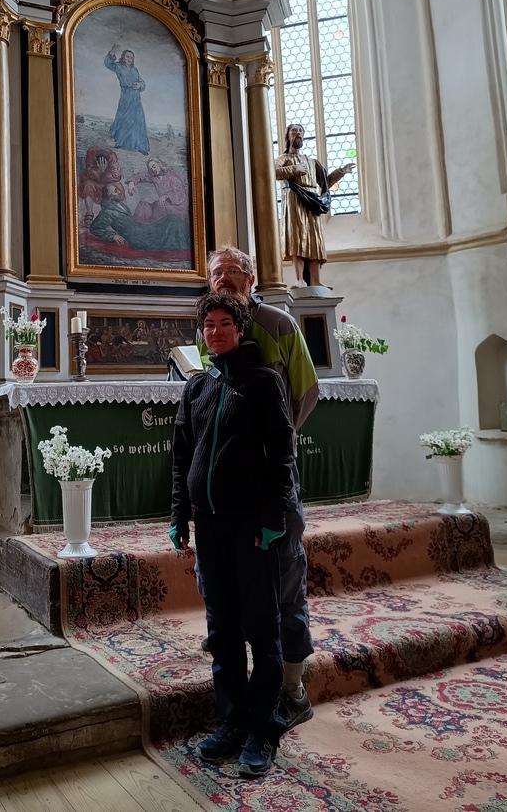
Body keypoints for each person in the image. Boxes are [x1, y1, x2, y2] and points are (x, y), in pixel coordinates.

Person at [171, 292, 294, 778]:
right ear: (201, 333)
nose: (216, 331)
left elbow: (282, 453)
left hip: (252, 526)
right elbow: (182, 454)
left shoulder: (263, 381)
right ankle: (232, 722)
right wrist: (180, 514)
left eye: (225, 323)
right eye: (209, 325)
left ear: (240, 330)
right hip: (210, 525)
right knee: (221, 629)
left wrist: (274, 517)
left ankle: (264, 727)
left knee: (261, 627)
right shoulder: (197, 387)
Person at [201, 245, 319, 732]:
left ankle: (292, 688)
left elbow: (306, 391)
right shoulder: (211, 328)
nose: (225, 278)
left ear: (250, 279)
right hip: (228, 492)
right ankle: (236, 693)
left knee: (284, 582)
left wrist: (273, 443)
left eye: (235, 271)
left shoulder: (278, 324)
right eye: (217, 272)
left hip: (271, 483)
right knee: (225, 585)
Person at [274, 124, 355, 289]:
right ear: (288, 136)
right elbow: (272, 171)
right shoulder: (284, 158)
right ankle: (299, 280)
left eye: (300, 132)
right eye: (294, 131)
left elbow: (326, 183)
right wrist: (294, 169)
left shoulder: (312, 162)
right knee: (297, 238)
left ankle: (315, 280)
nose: (298, 134)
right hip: (294, 198)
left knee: (314, 240)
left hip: (313, 199)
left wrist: (341, 171)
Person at [89, 182, 191, 252]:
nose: (119, 191)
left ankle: (191, 244)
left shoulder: (120, 205)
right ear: (109, 196)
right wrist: (112, 236)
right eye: (115, 191)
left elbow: (129, 222)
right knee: (172, 221)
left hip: (141, 230)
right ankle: (189, 247)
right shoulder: (107, 211)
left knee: (173, 218)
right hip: (138, 238)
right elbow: (95, 228)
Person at [104, 45, 149, 154]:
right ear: (123, 57)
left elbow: (142, 81)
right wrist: (112, 52)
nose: (129, 59)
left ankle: (142, 147)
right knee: (124, 118)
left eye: (131, 57)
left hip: (136, 97)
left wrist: (140, 85)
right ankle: (120, 142)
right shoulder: (119, 67)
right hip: (125, 95)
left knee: (138, 120)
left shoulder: (135, 70)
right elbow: (108, 64)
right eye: (127, 57)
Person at [126, 156, 189, 223]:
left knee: (159, 208)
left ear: (159, 164)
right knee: (144, 203)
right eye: (151, 169)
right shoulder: (155, 177)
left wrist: (166, 196)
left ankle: (151, 226)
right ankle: (138, 225)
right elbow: (142, 175)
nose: (153, 170)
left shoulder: (172, 177)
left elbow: (181, 195)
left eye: (154, 166)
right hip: (163, 204)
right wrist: (132, 182)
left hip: (176, 207)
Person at [78, 146, 122, 227]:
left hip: (108, 181)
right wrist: (99, 171)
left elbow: (117, 176)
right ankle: (89, 213)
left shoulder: (112, 156)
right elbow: (90, 172)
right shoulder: (91, 153)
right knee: (87, 186)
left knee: (119, 190)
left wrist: (104, 173)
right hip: (94, 180)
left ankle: (115, 212)